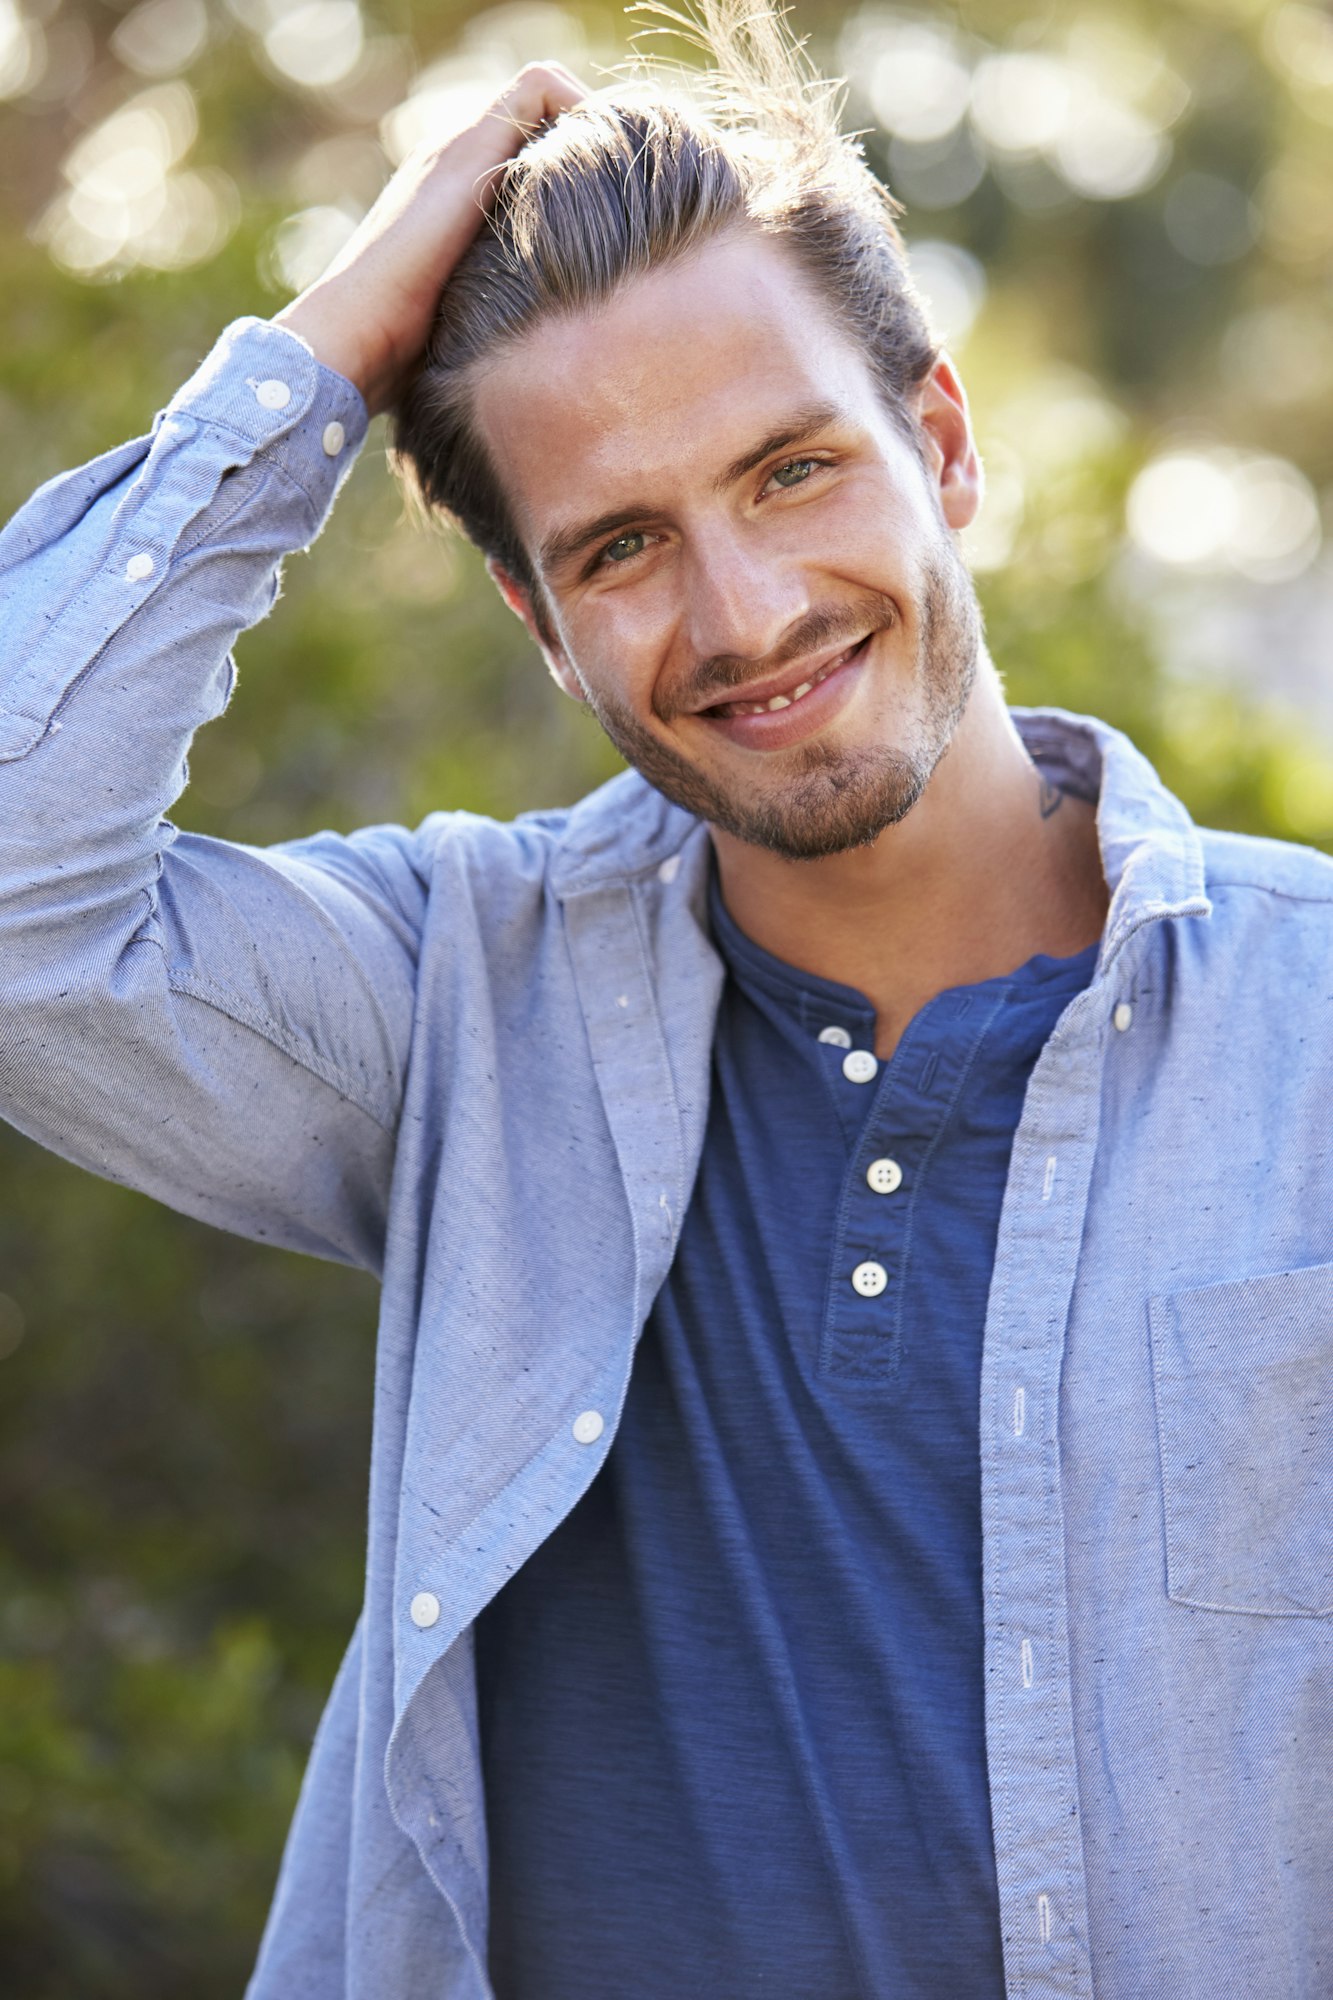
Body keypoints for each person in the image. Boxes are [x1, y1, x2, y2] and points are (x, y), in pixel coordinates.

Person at [0, 3, 1328, 1995]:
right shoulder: (456, 1003)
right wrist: (320, 360)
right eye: (619, 546)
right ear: (536, 622)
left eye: (792, 471)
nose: (742, 614)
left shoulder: (1308, 1032)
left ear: (943, 446)